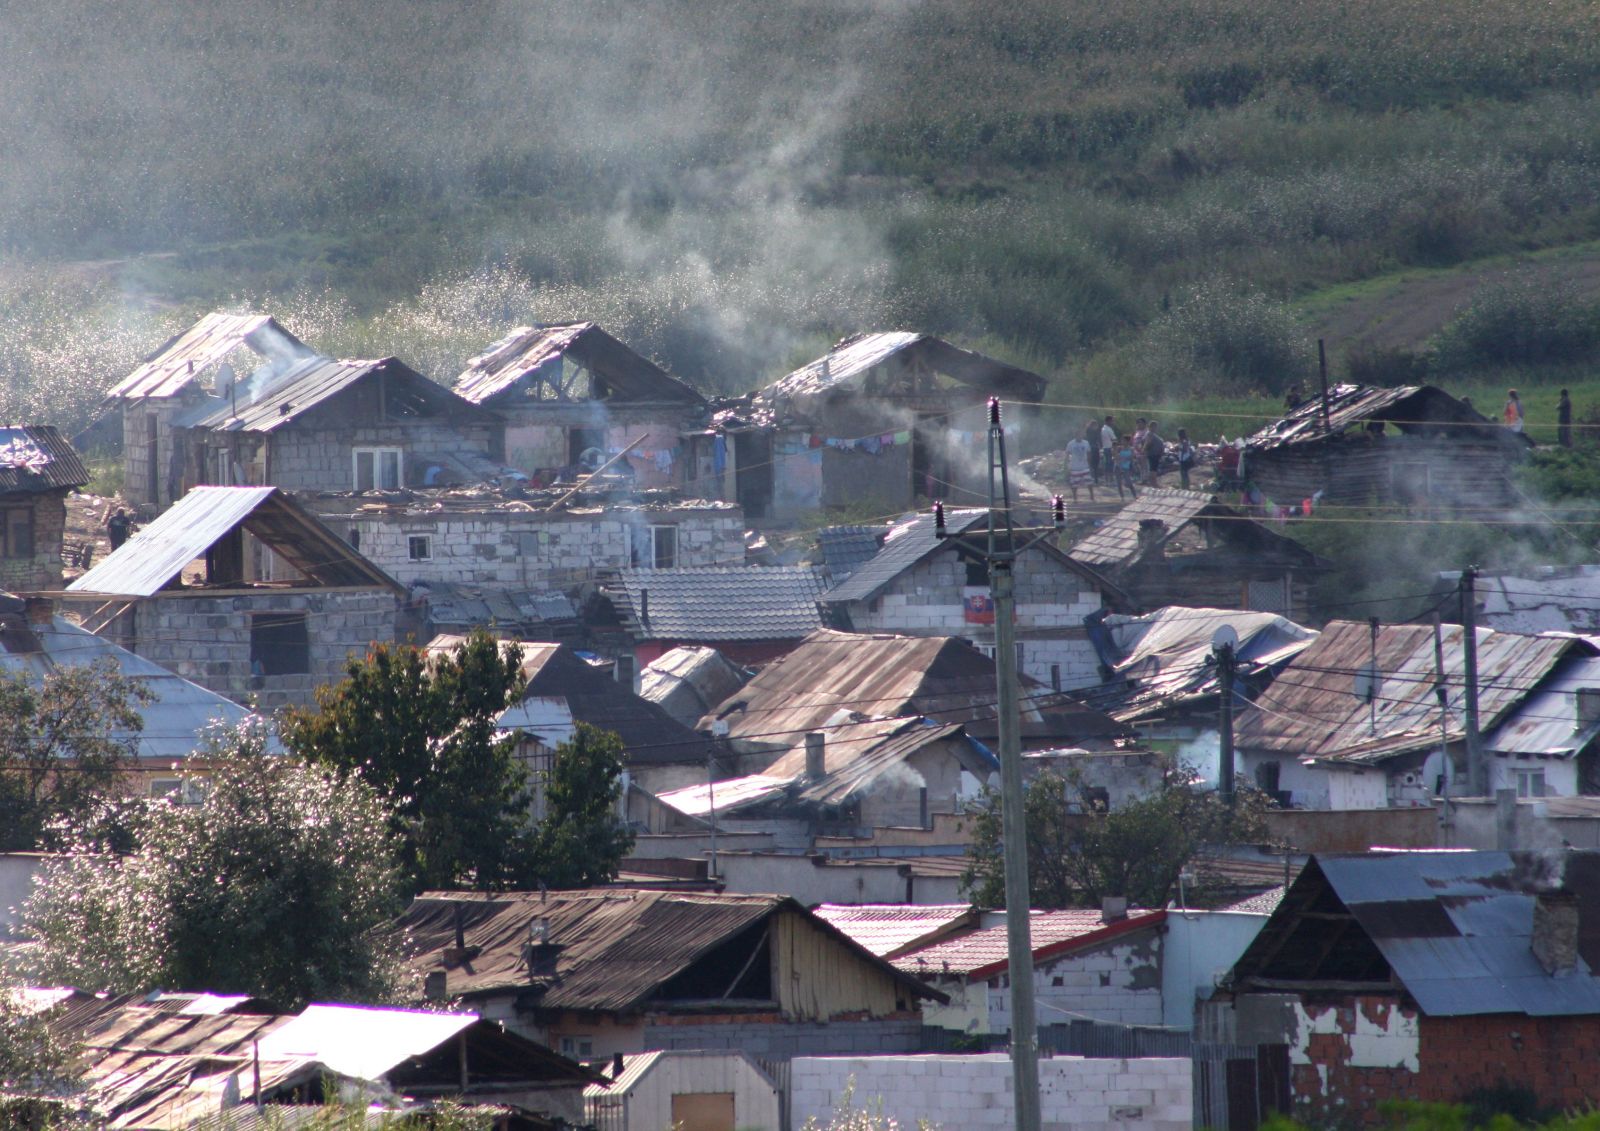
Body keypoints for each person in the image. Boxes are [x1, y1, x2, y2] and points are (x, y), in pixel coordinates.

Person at [1065, 430, 1093, 502]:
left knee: (1089, 482)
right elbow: (1067, 455)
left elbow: (1089, 453)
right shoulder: (1071, 444)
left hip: (1084, 466)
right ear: (1076, 436)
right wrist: (1067, 466)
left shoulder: (1086, 443)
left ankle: (1092, 496)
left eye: (1081, 435)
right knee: (1074, 484)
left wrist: (1089, 464)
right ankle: (1075, 498)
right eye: (1078, 435)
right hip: (1074, 467)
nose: (1080, 437)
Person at [1114, 435, 1139, 500]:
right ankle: (1122, 497)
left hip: (1126, 468)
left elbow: (1132, 458)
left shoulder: (1131, 449)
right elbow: (1116, 457)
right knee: (1119, 484)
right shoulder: (1119, 448)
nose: (1122, 442)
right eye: (1122, 440)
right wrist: (1120, 462)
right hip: (1118, 467)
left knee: (1129, 483)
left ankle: (1135, 495)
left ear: (1128, 441)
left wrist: (1126, 459)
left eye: (1124, 440)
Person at [1143, 420, 1165, 485]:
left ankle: (1153, 483)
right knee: (1153, 469)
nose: (1156, 428)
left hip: (1156, 454)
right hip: (1152, 454)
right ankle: (1153, 483)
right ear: (1151, 427)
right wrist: (1144, 450)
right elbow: (1148, 443)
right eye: (1155, 427)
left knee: (1154, 469)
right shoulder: (1149, 434)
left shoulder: (1153, 434)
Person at [1083, 417, 1102, 483]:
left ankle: (1091, 478)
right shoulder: (1093, 431)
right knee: (1095, 464)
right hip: (1093, 448)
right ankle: (1095, 479)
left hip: (1090, 448)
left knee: (1091, 464)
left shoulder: (1088, 430)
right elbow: (1097, 439)